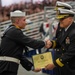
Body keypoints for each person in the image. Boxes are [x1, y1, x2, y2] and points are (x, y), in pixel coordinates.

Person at [0, 10, 50, 75]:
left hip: (7, 67)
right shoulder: (14, 31)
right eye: (24, 20)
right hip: (7, 68)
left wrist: (32, 67)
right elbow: (31, 42)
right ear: (17, 21)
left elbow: (19, 55)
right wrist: (45, 43)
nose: (26, 23)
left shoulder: (11, 31)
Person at [45, 8, 75, 75]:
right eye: (59, 19)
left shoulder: (73, 32)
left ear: (70, 19)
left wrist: (54, 64)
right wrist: (51, 44)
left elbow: (71, 53)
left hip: (71, 68)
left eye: (62, 19)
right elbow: (60, 42)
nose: (60, 21)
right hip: (64, 66)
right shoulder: (64, 28)